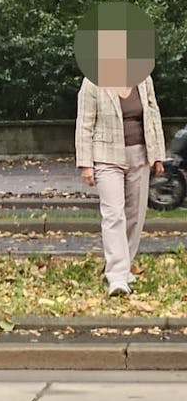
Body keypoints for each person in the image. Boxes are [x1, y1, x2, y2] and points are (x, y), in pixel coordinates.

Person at [76, 73, 166, 297]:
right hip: (106, 157)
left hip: (139, 154)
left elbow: (153, 117)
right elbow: (84, 124)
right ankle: (116, 276)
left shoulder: (144, 80)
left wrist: (158, 156)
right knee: (114, 214)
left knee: (135, 214)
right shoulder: (92, 82)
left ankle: (124, 266)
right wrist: (85, 164)